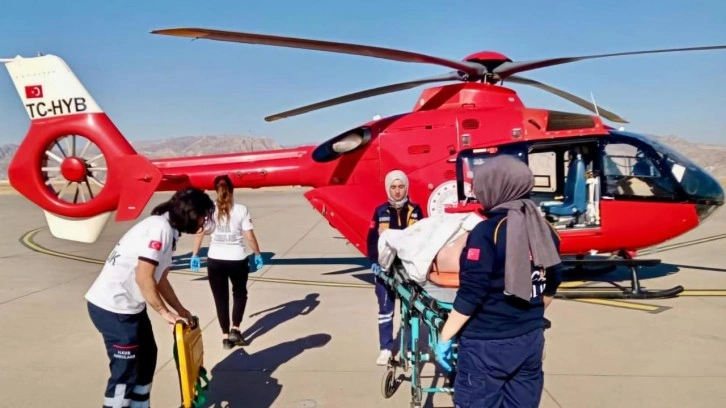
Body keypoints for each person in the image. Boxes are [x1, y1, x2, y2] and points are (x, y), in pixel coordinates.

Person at [435, 155, 563, 408]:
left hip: (486, 346)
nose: (477, 193)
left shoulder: (486, 232)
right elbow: (552, 282)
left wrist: (445, 336)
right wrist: (528, 315)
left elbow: (472, 293)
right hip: (530, 340)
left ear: (496, 187)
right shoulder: (545, 229)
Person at [84, 187, 215, 408]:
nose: (204, 221)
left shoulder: (170, 231)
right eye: (203, 215)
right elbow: (143, 277)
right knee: (125, 371)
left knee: (147, 358)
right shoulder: (159, 229)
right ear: (191, 214)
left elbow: (160, 279)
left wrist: (180, 310)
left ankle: (139, 405)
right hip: (112, 308)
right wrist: (165, 313)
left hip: (131, 307)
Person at [190, 175, 264, 349]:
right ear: (232, 189)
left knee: (220, 299)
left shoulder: (209, 210)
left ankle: (225, 337)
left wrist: (195, 255)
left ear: (216, 190)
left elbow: (200, 231)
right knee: (239, 294)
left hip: (215, 260)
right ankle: (235, 329)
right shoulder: (241, 209)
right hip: (237, 259)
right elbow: (249, 236)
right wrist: (257, 254)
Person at [367, 169, 424, 365]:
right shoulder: (380, 211)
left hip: (407, 268)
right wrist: (373, 262)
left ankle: (408, 348)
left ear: (406, 188)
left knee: (409, 310)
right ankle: (385, 349)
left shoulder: (415, 211)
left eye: (401, 186)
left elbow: (421, 237)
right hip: (385, 268)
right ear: (388, 189)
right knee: (385, 311)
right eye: (393, 187)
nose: (397, 191)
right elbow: (372, 239)